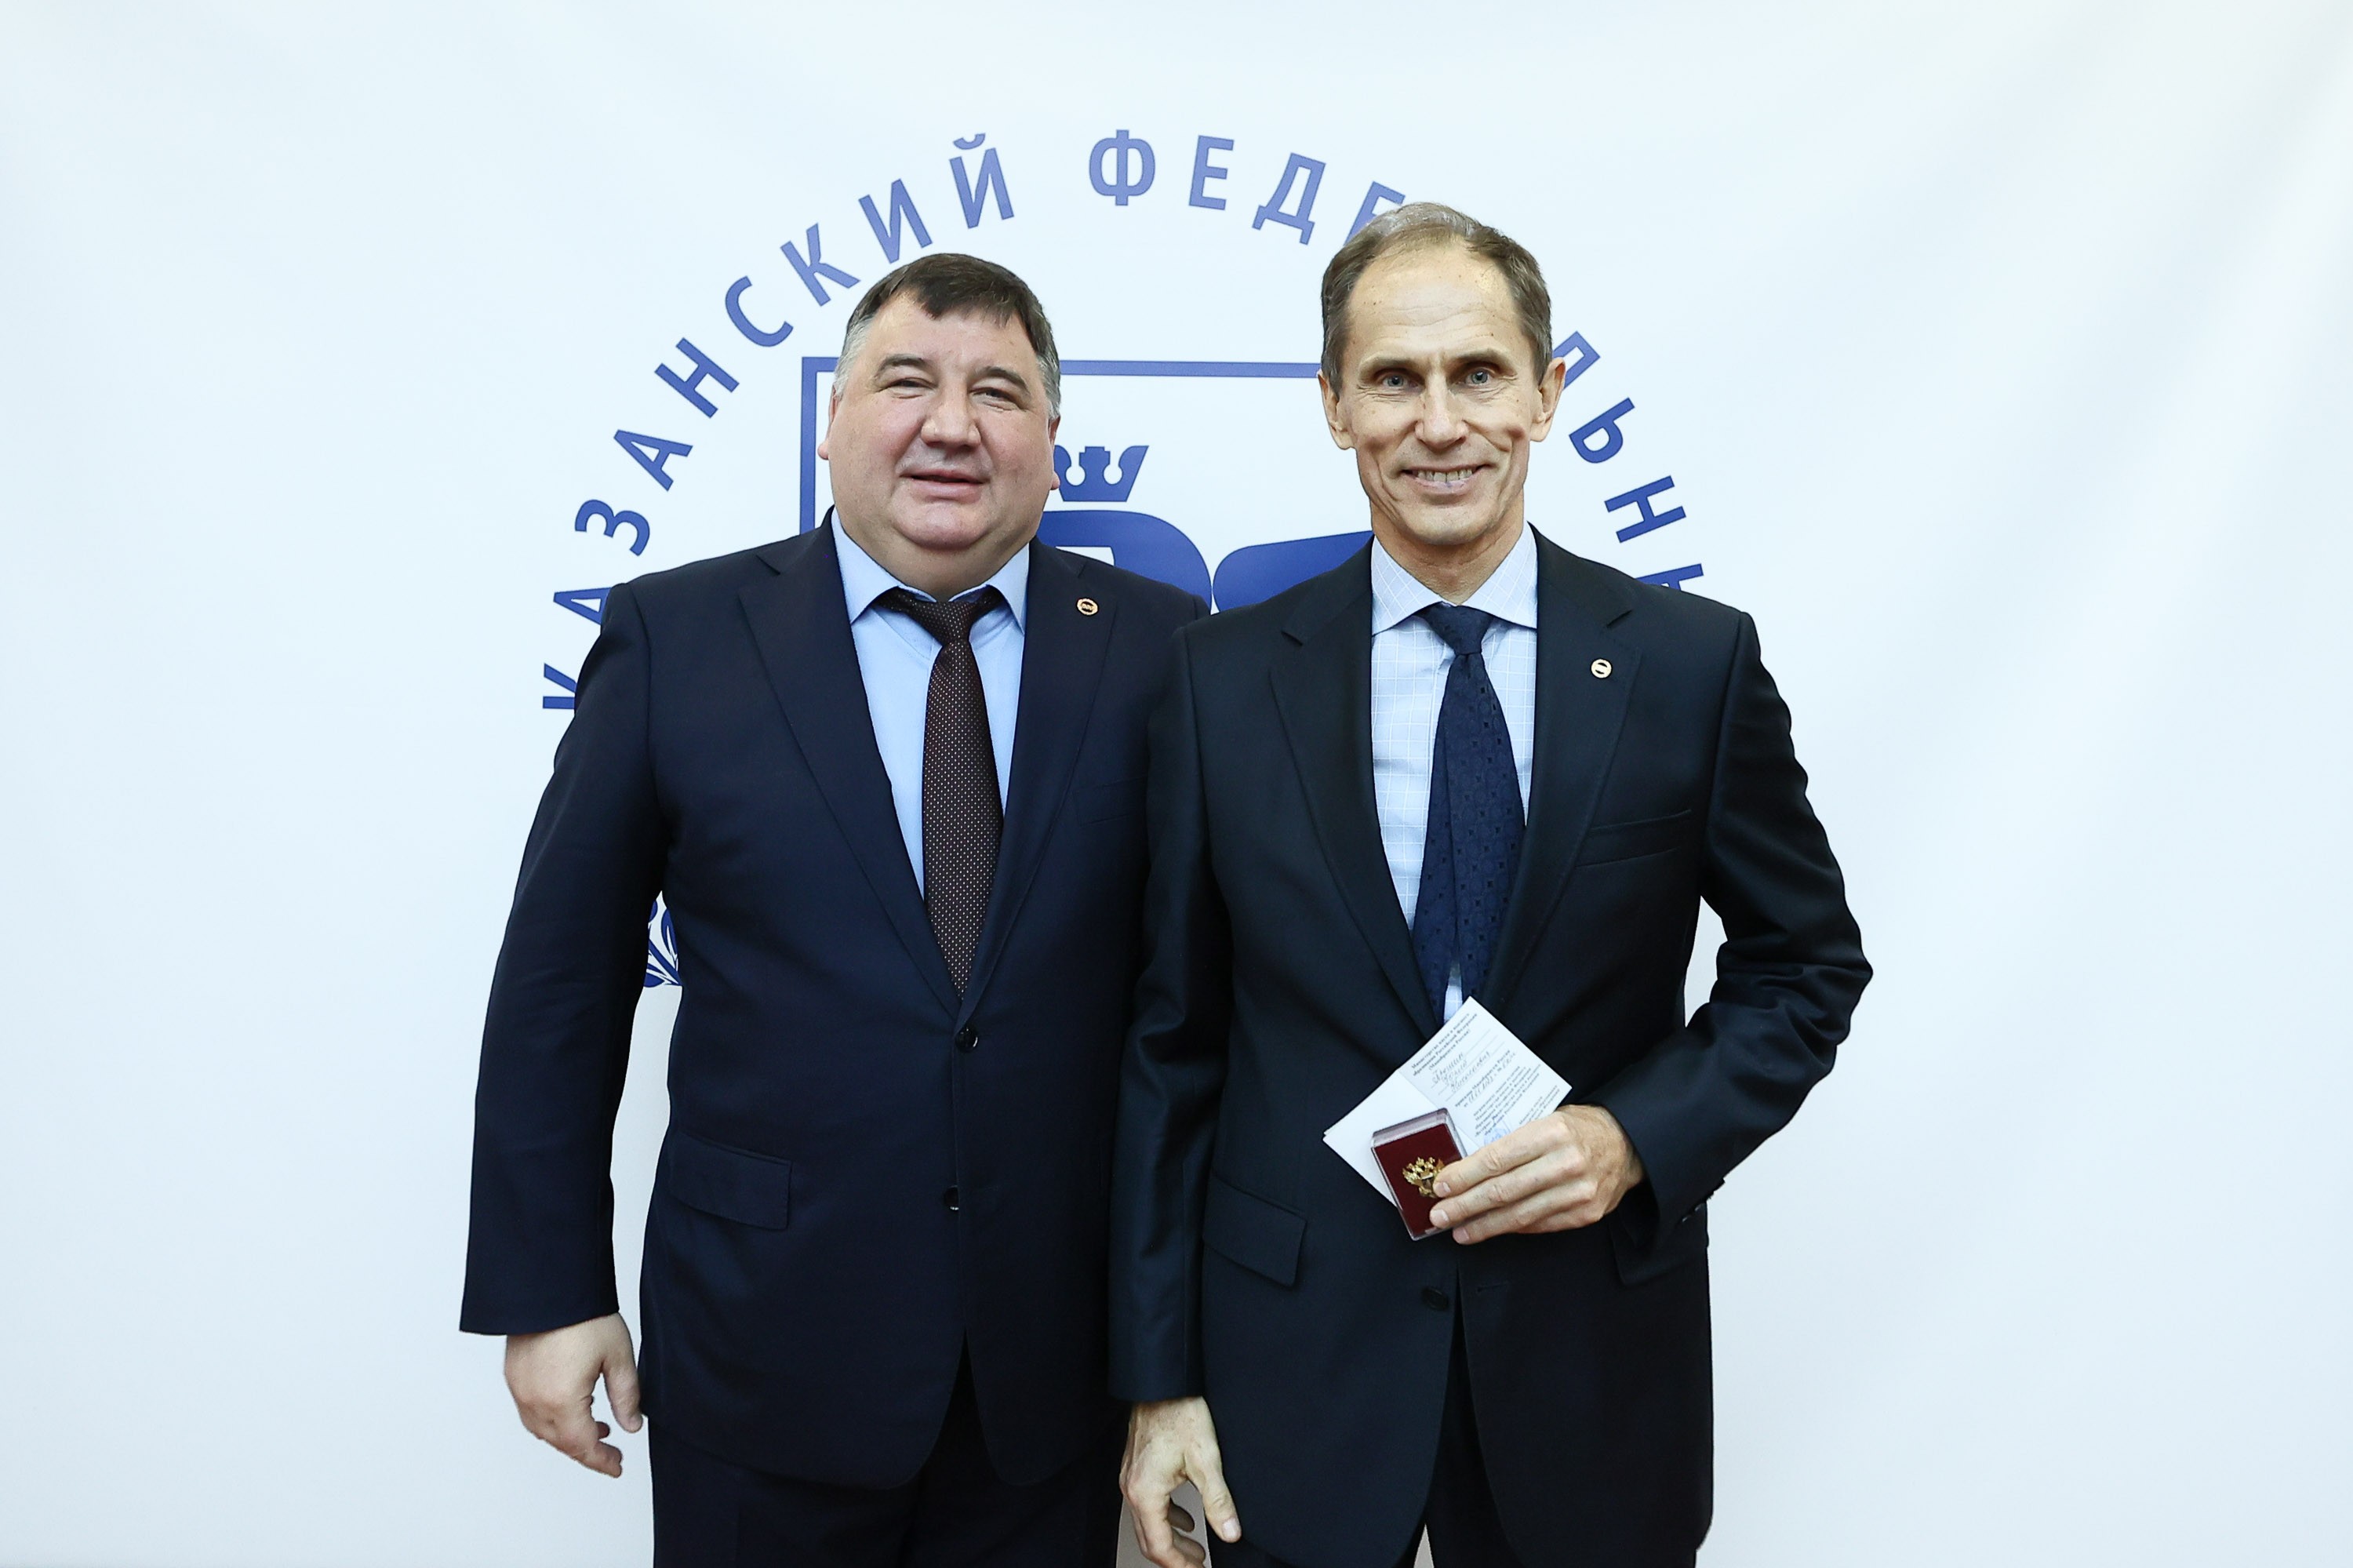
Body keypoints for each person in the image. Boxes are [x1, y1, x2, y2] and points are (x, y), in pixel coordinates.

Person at [1110, 204, 1871, 1568]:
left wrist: (1632, 1136)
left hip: (1588, 1358)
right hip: (1293, 1367)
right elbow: (1175, 1044)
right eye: (1394, 379)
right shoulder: (1220, 683)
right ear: (1334, 405)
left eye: (1477, 373)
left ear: (1545, 393)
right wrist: (1158, 1381)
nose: (1439, 423)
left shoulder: (1688, 667)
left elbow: (1804, 966)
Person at [461, 252, 1204, 1566]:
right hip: (761, 1349)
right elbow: (561, 984)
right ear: (832, 417)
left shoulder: (1165, 646)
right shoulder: (678, 637)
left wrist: (1185, 1344)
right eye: (907, 381)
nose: (952, 425)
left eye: (998, 392)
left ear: (1052, 439)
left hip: (1052, 1372)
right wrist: (551, 1290)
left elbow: (1200, 1002)